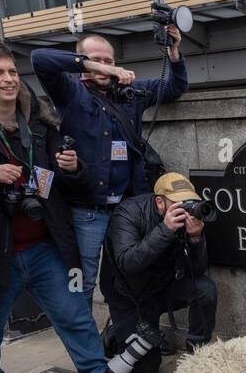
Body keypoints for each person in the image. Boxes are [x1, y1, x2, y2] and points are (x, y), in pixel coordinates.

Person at [0, 39, 126, 373]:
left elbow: (68, 181)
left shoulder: (40, 120)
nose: (9, 79)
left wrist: (73, 168)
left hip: (45, 244)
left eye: (12, 71)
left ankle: (95, 371)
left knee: (74, 312)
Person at [30, 29, 187, 332]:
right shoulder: (68, 90)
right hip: (87, 211)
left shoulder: (130, 95)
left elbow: (174, 87)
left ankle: (122, 333)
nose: (103, 65)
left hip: (127, 209)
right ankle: (87, 350)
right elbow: (40, 59)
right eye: (95, 59)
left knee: (124, 277)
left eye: (109, 59)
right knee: (84, 282)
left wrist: (174, 53)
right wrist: (100, 67)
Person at [103, 172, 216, 373]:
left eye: (189, 203)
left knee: (205, 289)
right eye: (178, 204)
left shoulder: (186, 221)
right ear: (159, 202)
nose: (186, 209)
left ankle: (197, 354)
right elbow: (128, 263)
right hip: (130, 297)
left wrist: (196, 238)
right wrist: (166, 229)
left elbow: (196, 271)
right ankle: (114, 331)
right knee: (146, 371)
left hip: (162, 287)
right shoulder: (127, 213)